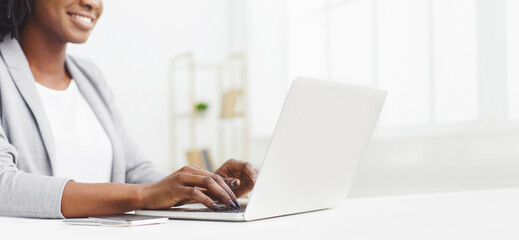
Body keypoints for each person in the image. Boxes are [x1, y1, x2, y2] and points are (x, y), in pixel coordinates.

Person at [0, 0, 257, 219]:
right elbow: (4, 187)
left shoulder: (89, 77)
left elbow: (136, 171)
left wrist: (203, 189)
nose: (93, 3)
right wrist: (142, 196)